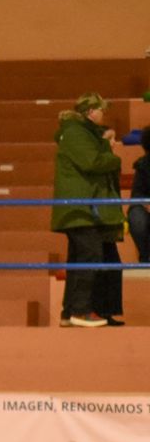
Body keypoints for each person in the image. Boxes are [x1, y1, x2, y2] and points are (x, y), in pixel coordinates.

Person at [52, 93, 125, 328]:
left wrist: (103, 141)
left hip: (83, 206)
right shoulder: (75, 133)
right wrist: (112, 155)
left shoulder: (79, 133)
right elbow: (92, 162)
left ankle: (69, 312)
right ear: (90, 112)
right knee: (89, 255)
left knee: (79, 258)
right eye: (101, 110)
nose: (103, 114)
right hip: (81, 206)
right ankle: (80, 311)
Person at [129, 127, 150, 265]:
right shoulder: (143, 164)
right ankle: (145, 257)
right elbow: (137, 193)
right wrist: (147, 204)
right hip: (145, 204)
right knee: (137, 218)